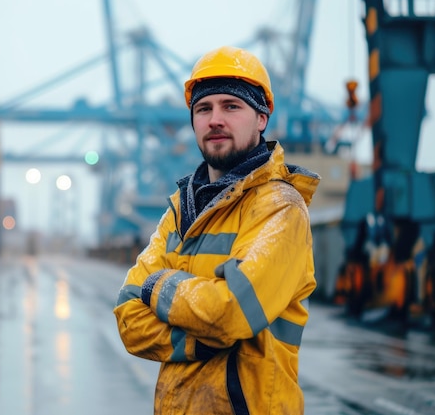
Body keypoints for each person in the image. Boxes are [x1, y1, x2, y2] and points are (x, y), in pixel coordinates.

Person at [113, 45, 320, 414]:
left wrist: (158, 285)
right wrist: (200, 342)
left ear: (261, 118)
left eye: (231, 106)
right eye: (204, 109)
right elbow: (128, 318)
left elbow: (231, 313)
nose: (215, 120)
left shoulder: (280, 207)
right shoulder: (179, 211)